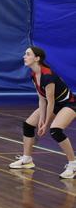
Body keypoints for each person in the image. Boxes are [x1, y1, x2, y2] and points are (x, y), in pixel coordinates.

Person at [9, 46, 76, 179]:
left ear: (37, 58)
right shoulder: (34, 75)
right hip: (53, 103)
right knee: (28, 125)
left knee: (55, 130)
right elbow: (42, 99)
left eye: (28, 54)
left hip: (68, 104)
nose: (24, 56)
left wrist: (45, 124)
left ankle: (73, 164)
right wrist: (40, 120)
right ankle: (27, 160)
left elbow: (51, 102)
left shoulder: (48, 76)